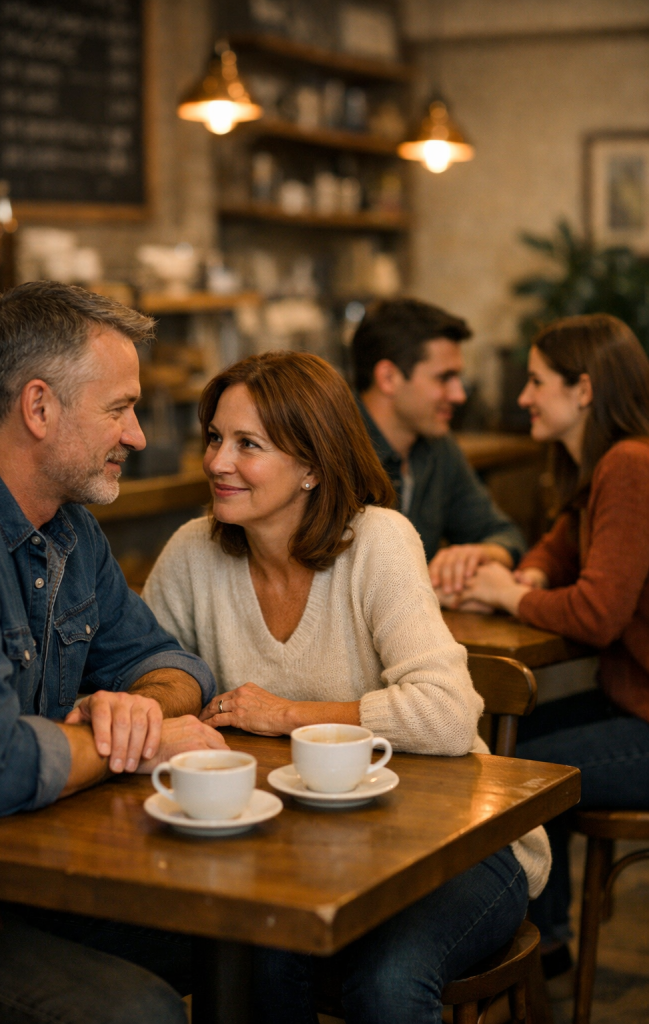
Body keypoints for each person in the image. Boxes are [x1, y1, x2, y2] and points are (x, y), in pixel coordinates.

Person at [143, 350, 550, 1024]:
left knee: (386, 985)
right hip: (300, 855)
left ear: (310, 464)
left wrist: (284, 716)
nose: (217, 460)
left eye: (248, 444)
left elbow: (447, 715)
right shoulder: (194, 552)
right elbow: (145, 669)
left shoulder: (378, 541)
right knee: (256, 953)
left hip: (460, 845)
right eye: (214, 437)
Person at [0, 282, 227, 1024]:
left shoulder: (71, 531)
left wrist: (139, 711)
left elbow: (173, 664)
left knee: (258, 941)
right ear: (39, 408)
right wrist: (127, 748)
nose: (139, 435)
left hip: (24, 885)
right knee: (137, 1013)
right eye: (119, 409)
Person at [458, 313, 649, 978]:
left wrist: (507, 595)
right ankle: (552, 937)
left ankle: (540, 944)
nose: (522, 396)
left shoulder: (628, 464)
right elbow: (562, 539)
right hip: (630, 705)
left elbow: (596, 614)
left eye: (536, 381)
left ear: (584, 390)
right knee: (517, 740)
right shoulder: (601, 468)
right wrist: (529, 573)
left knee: (515, 767)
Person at [350, 298, 525, 602]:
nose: (458, 395)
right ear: (388, 377)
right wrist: (433, 591)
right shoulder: (330, 447)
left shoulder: (438, 446)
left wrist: (477, 555)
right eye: (445, 378)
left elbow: (506, 536)